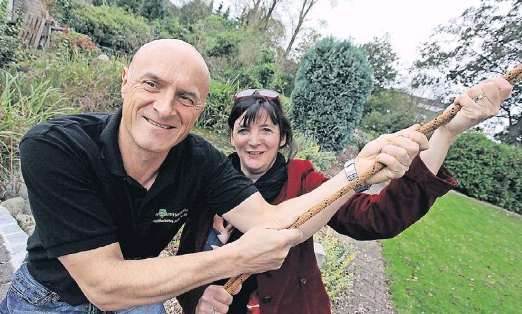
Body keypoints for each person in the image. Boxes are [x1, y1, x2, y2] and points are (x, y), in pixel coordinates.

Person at [0, 37, 511, 314]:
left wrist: (358, 170)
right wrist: (212, 280)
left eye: (185, 97)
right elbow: (116, 282)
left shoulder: (284, 175)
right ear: (125, 83)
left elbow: (290, 220)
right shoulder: (59, 146)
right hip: (51, 300)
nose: (164, 107)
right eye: (152, 85)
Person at [176, 82, 513, 314]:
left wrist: (447, 132)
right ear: (232, 136)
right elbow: (184, 258)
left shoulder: (304, 180)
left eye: (266, 130)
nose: (254, 141)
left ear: (282, 139)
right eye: (244, 129)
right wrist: (196, 299)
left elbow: (377, 217)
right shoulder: (212, 180)